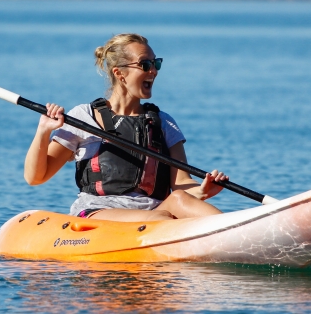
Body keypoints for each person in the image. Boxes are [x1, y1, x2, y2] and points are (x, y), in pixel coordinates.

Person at [24, 33, 229, 222]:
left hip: (155, 210)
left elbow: (182, 183)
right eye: (146, 64)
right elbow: (35, 177)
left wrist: (202, 190)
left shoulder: (164, 123)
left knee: (179, 199)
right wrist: (43, 131)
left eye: (156, 63)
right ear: (119, 73)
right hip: (99, 212)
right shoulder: (85, 117)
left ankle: (237, 233)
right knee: (161, 219)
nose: (154, 71)